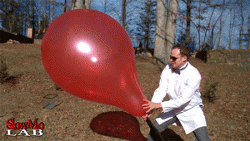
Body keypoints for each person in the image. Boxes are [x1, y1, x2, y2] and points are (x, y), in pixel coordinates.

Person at [142, 44, 210, 141]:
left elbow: (183, 100)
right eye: (170, 57)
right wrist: (151, 107)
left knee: (203, 139)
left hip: (191, 110)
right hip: (173, 108)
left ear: (184, 58)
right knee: (154, 130)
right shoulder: (167, 69)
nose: (171, 60)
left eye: (174, 58)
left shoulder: (194, 74)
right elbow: (161, 89)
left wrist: (157, 105)